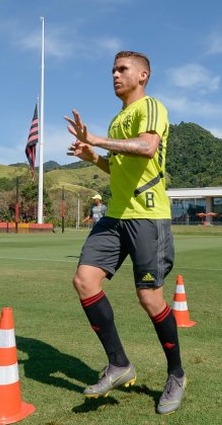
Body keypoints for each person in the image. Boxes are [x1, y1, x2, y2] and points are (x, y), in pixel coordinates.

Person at [64, 50, 184, 415]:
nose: (115, 75)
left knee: (150, 299)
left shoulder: (151, 107)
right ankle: (119, 364)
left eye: (122, 69)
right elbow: (119, 169)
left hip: (148, 217)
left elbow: (147, 148)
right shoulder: (118, 121)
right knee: (85, 280)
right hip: (116, 217)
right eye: (112, 70)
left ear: (143, 75)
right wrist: (94, 158)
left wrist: (97, 141)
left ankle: (176, 374)